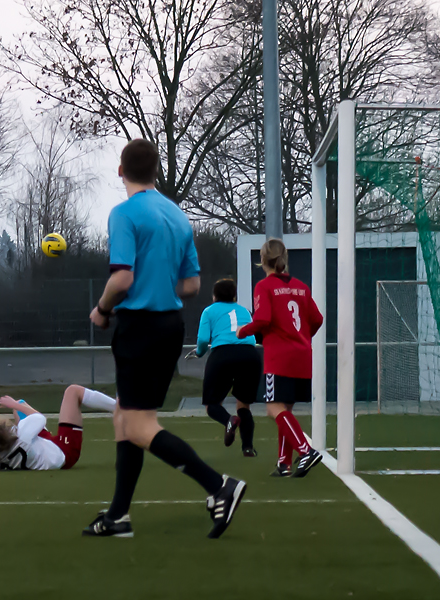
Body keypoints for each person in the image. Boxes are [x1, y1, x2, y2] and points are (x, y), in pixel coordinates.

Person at [83, 139, 247, 539]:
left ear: (120, 171)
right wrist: (160, 284)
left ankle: (218, 485)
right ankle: (118, 515)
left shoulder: (124, 213)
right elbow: (192, 284)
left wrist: (102, 310)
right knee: (126, 417)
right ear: (155, 172)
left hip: (139, 327)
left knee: (139, 425)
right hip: (169, 325)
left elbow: (122, 278)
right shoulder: (176, 215)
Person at [237, 238, 324, 477]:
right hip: (302, 354)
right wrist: (303, 337)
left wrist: (243, 331)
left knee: (273, 408)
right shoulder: (301, 287)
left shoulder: (264, 286)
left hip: (280, 356)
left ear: (262, 261)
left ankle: (306, 450)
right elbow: (317, 319)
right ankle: (284, 463)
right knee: (285, 408)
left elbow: (263, 319)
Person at [185, 278, 261, 456]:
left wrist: (200, 353)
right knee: (244, 405)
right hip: (250, 356)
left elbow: (203, 340)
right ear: (234, 295)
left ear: (214, 295)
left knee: (212, 405)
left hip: (223, 355)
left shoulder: (209, 311)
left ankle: (229, 420)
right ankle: (248, 447)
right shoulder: (245, 311)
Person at [0, 385, 116, 471]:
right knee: (73, 391)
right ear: (1, 426)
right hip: (64, 451)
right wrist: (13, 405)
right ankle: (120, 409)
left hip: (36, 452)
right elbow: (39, 417)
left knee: (20, 404)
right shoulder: (23, 436)